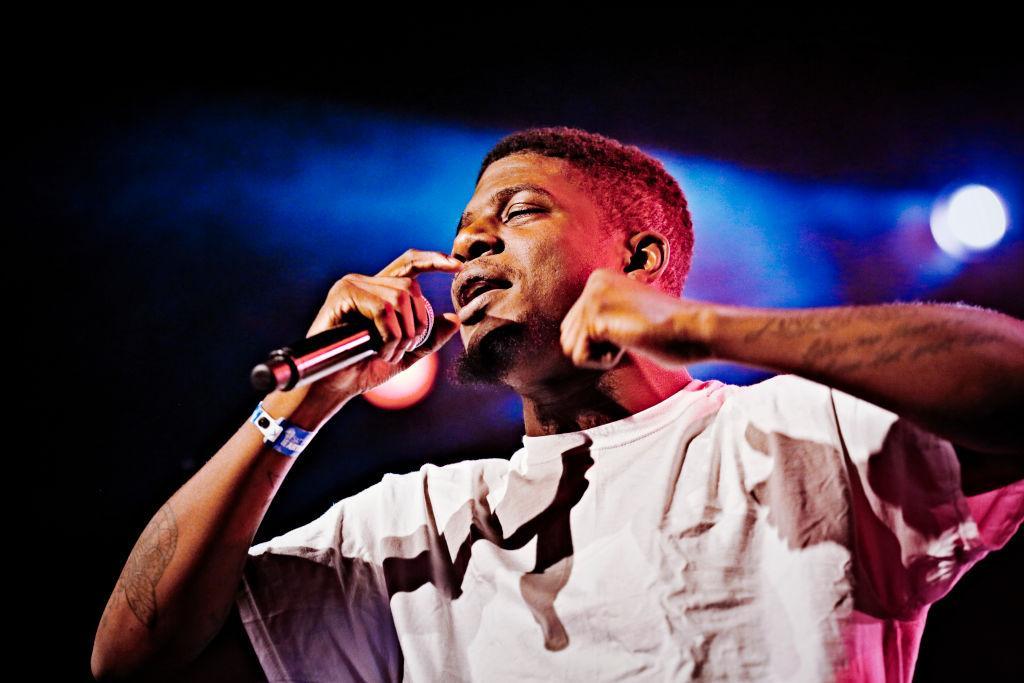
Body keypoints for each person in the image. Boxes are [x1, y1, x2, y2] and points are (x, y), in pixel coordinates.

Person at [91, 126, 1024, 682]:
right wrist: (297, 405)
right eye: (463, 234)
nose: (471, 251)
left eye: (519, 214)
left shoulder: (787, 435)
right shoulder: (418, 522)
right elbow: (134, 653)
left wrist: (698, 327)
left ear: (640, 258)